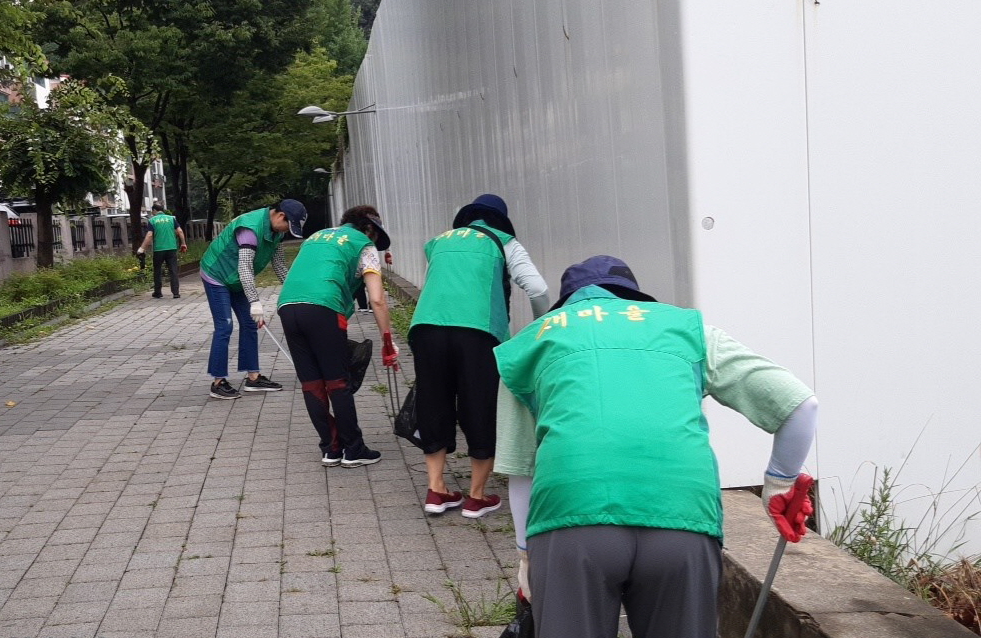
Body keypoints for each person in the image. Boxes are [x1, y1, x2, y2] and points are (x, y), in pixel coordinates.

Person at [495, 255, 818, 638]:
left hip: (572, 519)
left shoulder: (530, 344)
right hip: (681, 516)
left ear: (567, 303)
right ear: (636, 299)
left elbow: (521, 470)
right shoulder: (688, 330)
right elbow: (800, 405)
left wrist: (525, 555)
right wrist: (779, 484)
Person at [408, 194, 550, 526]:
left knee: (434, 402)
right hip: (477, 332)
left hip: (427, 329)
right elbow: (538, 289)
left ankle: (436, 489)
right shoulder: (505, 243)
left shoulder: (438, 242)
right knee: (480, 405)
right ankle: (476, 496)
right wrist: (539, 334)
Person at [277, 205, 398, 467]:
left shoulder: (316, 236)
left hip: (287, 306)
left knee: (311, 383)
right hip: (324, 308)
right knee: (337, 382)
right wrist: (388, 341)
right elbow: (376, 300)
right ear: (369, 228)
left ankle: (331, 449)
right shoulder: (364, 245)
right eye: (375, 236)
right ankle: (354, 450)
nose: (374, 242)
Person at [199, 199, 308, 399]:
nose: (287, 231)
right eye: (288, 226)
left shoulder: (277, 232)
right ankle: (218, 382)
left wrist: (297, 294)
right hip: (216, 274)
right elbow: (244, 267)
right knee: (225, 326)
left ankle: (253, 378)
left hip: (237, 279)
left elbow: (281, 267)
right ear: (280, 216)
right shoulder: (250, 228)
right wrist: (255, 302)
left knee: (250, 324)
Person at [137, 202, 188, 298]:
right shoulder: (172, 219)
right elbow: (180, 231)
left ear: (154, 211)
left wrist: (142, 248)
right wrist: (183, 243)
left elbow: (149, 235)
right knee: (173, 270)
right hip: (171, 248)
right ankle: (176, 293)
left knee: (157, 270)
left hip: (159, 250)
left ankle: (158, 292)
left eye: (152, 212)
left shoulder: (152, 220)